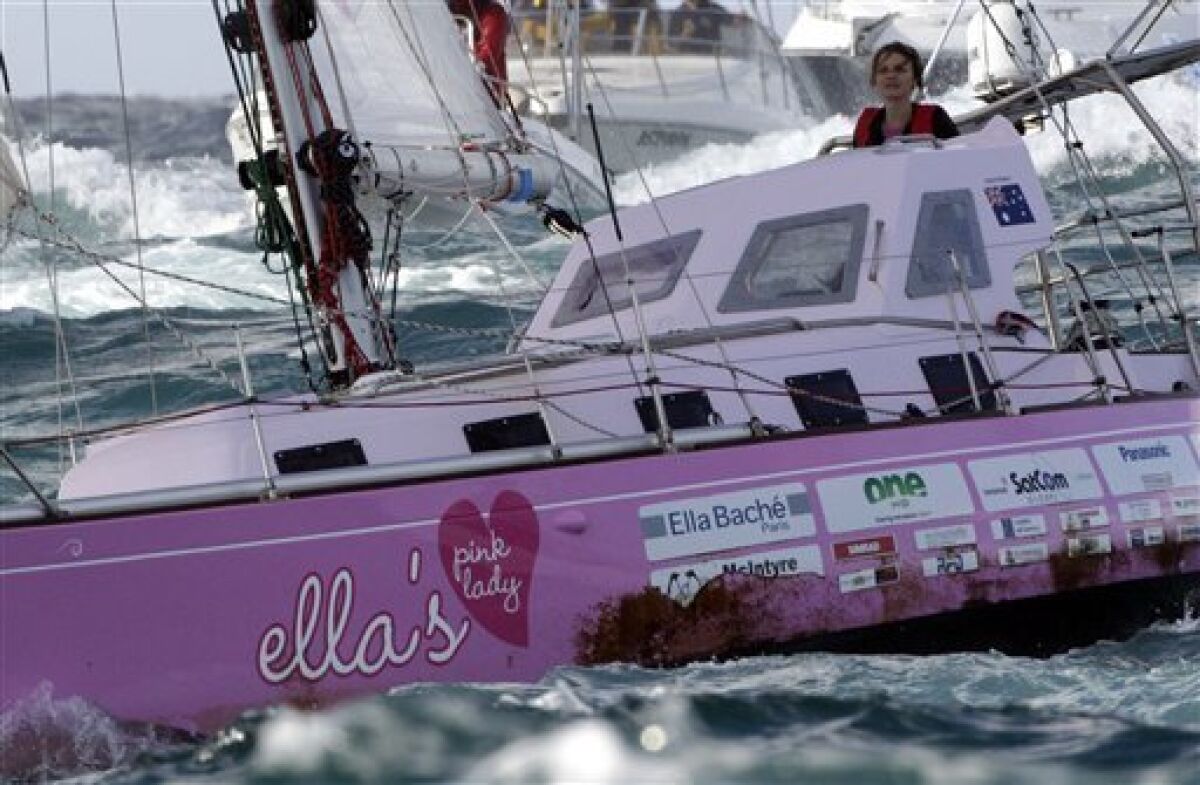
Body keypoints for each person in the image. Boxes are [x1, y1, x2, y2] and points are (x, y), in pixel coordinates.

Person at [853, 42, 959, 148]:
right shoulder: (865, 123)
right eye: (883, 70)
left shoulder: (936, 119)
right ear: (874, 80)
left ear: (915, 79)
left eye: (900, 70)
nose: (891, 76)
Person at [447, 0, 510, 100]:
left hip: (487, 98)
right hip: (443, 93)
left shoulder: (493, 13)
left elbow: (486, 57)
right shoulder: (441, 11)